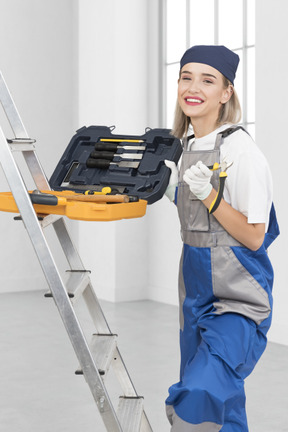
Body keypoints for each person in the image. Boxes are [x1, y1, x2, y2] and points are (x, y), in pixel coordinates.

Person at [164, 45, 279, 431]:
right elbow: (199, 222)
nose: (193, 87)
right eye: (186, 77)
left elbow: (253, 237)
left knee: (199, 393)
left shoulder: (241, 150)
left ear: (226, 92)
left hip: (238, 298)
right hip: (194, 294)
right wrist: (170, 189)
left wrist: (209, 195)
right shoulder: (184, 148)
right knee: (224, 405)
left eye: (207, 80)